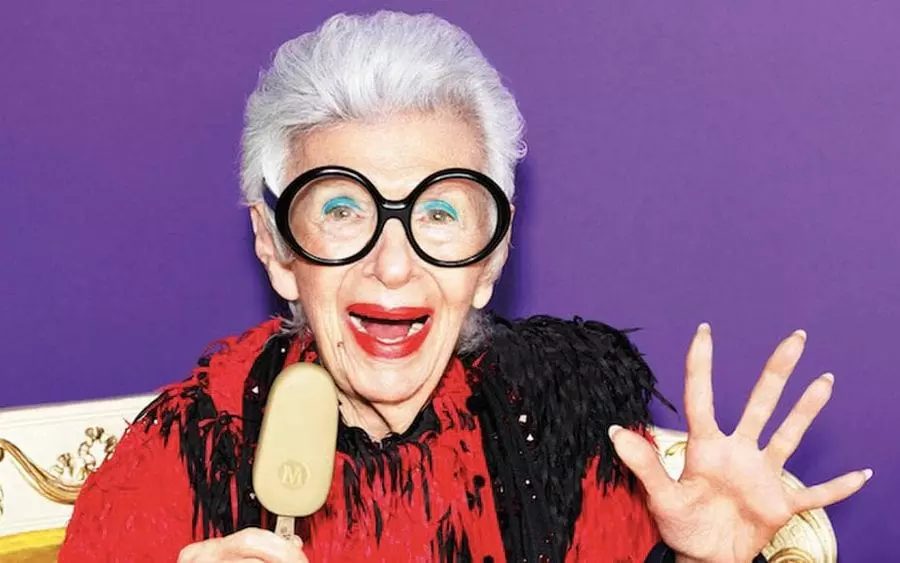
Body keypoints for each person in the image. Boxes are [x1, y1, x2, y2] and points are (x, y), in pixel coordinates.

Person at [59, 11, 870, 563]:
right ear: (275, 248)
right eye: (342, 209)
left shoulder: (568, 426)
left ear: (490, 259)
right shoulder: (182, 454)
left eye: (440, 213)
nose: (393, 264)